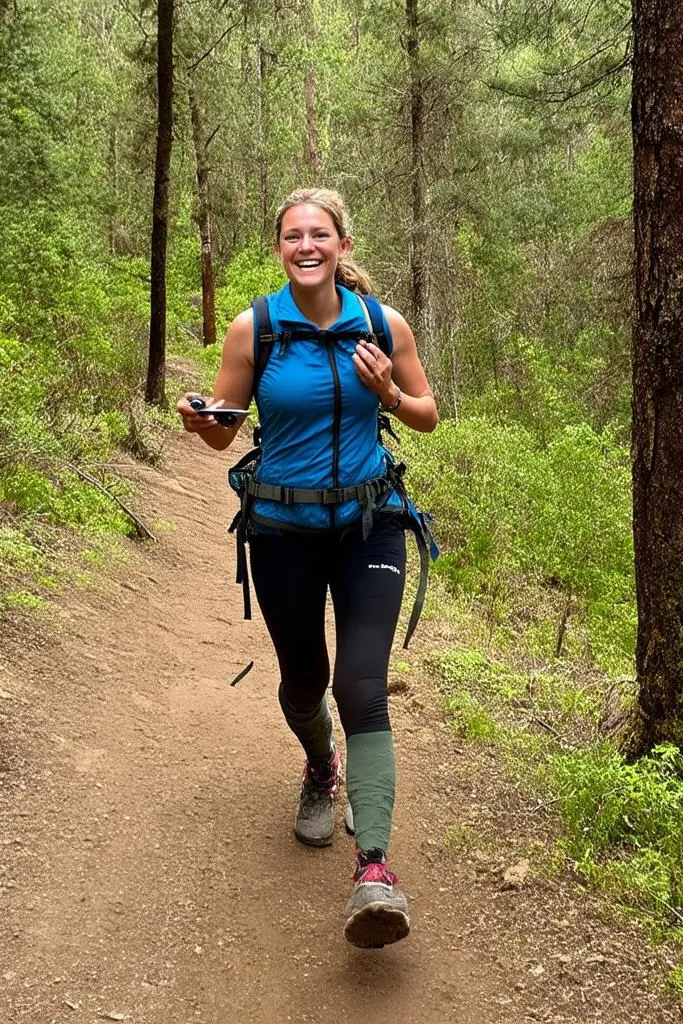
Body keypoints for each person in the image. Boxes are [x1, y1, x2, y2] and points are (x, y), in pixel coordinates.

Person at [176, 187, 438, 948]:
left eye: (318, 234)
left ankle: (376, 872)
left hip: (370, 527)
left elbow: (426, 411)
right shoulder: (252, 329)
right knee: (303, 679)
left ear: (343, 244)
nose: (306, 246)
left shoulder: (383, 324)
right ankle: (321, 767)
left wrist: (387, 389)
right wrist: (202, 421)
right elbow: (223, 437)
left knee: (361, 686)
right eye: (293, 236)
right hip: (282, 532)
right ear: (280, 248)